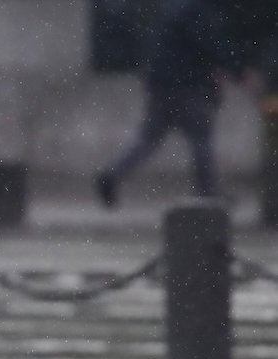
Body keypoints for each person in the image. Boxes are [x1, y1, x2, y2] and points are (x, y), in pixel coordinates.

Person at [95, 0, 258, 208]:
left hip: (163, 81)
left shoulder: (178, 8)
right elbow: (210, 44)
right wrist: (240, 72)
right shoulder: (198, 10)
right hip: (187, 83)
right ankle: (206, 192)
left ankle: (112, 174)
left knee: (149, 137)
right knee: (201, 138)